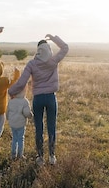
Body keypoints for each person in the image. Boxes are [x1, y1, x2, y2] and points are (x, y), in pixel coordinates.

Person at [8, 34, 68, 166]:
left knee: (39, 128)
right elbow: (65, 47)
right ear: (48, 49)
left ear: (38, 50)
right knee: (51, 126)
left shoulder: (32, 64)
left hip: (38, 99)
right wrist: (53, 38)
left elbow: (22, 82)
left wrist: (11, 92)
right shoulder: (53, 60)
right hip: (51, 98)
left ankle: (40, 157)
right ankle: (52, 156)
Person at [6, 84, 33, 160]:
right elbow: (26, 113)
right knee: (21, 138)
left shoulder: (11, 101)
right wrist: (30, 115)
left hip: (13, 123)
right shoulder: (24, 101)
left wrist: (8, 118)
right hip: (21, 124)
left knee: (14, 138)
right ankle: (20, 155)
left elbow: (7, 111)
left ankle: (13, 154)